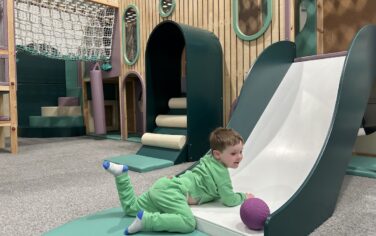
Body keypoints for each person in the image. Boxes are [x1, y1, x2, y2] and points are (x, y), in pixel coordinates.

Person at [102, 127, 254, 235]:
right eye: (234, 153)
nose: (239, 156)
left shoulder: (209, 160)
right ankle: (148, 221)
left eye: (241, 151)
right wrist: (243, 197)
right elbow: (228, 199)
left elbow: (198, 178)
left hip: (164, 185)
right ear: (217, 154)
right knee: (188, 223)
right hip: (174, 192)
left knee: (131, 208)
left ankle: (122, 176)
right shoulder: (221, 173)